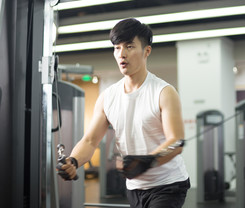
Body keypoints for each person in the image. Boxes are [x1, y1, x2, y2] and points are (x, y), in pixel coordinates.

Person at [58, 18, 190, 208]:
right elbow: (90, 141)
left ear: (147, 51)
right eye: (117, 48)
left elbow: (176, 142)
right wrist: (73, 160)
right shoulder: (108, 96)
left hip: (168, 185)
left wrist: (147, 161)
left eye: (129, 46)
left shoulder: (164, 92)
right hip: (134, 187)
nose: (122, 54)